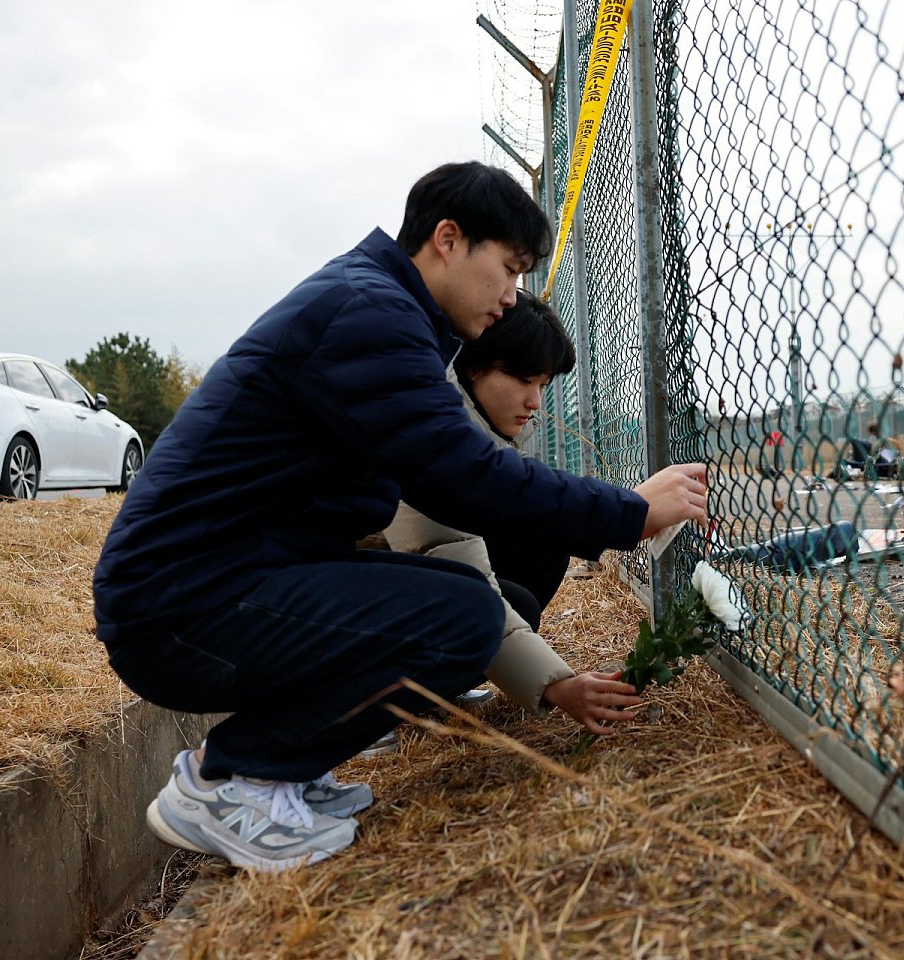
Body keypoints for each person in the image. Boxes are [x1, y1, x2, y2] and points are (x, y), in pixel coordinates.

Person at [93, 161, 708, 872]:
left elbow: (453, 492)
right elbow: (463, 478)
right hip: (181, 606)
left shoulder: (379, 311)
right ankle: (232, 779)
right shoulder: (369, 314)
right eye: (508, 270)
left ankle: (283, 771)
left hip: (213, 583)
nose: (512, 297)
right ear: (448, 240)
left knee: (463, 605)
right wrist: (630, 512)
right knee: (462, 620)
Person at [377, 289, 623, 737]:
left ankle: (439, 683)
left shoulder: (472, 426)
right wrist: (557, 685)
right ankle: (373, 711)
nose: (534, 401)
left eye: (543, 385)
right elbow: (447, 557)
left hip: (379, 590)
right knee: (499, 606)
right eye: (522, 379)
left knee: (541, 539)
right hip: (326, 611)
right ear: (473, 366)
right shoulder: (432, 430)